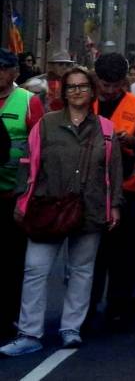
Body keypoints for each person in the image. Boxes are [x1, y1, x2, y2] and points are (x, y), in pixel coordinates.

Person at [1, 67, 121, 356]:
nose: (77, 92)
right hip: (47, 205)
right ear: (63, 92)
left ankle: (71, 329)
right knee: (35, 269)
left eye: (82, 86)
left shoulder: (106, 129)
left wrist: (115, 205)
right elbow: (28, 163)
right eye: (71, 87)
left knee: (81, 271)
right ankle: (29, 333)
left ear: (92, 91)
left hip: (90, 207)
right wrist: (22, 200)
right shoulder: (46, 124)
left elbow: (114, 170)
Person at [89, 53, 135, 330]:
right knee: (91, 253)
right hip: (91, 190)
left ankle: (120, 307)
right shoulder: (86, 102)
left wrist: (132, 141)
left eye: (115, 85)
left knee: (124, 253)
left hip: (127, 190)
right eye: (104, 84)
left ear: (124, 81)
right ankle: (87, 307)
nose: (110, 90)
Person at [0, 48, 44, 333]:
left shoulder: (29, 102)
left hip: (13, 193)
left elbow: (38, 149)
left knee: (11, 259)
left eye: (3, 68)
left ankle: (9, 316)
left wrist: (30, 192)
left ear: (15, 72)